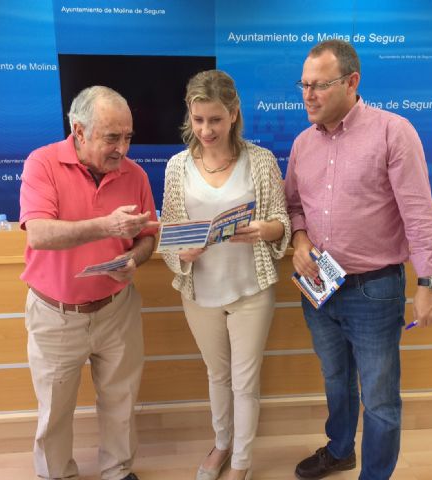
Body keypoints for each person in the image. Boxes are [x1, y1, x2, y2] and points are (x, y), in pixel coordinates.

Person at [284, 40, 432, 480]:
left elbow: (418, 214)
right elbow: (294, 206)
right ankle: (340, 450)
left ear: (352, 82)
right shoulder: (302, 144)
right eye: (304, 85)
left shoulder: (393, 132)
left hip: (374, 290)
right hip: (319, 285)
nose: (308, 95)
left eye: (319, 85)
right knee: (335, 379)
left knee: (379, 397)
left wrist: (430, 284)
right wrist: (299, 239)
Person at [19, 85, 159, 480]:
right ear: (79, 131)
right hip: (56, 314)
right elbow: (39, 234)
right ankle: (56, 473)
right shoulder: (42, 163)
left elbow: (148, 237)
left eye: (128, 137)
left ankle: (117, 469)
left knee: (121, 400)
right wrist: (107, 226)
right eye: (112, 137)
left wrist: (134, 258)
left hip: (117, 309)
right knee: (54, 408)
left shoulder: (135, 174)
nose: (122, 149)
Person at [161, 70, 291, 480]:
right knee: (217, 375)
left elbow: (282, 223)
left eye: (215, 119)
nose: (206, 130)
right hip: (199, 289)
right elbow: (169, 234)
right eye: (198, 119)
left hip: (250, 289)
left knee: (244, 381)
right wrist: (181, 252)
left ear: (234, 114)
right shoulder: (177, 167)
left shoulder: (261, 161)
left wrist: (264, 230)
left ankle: (241, 462)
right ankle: (221, 444)